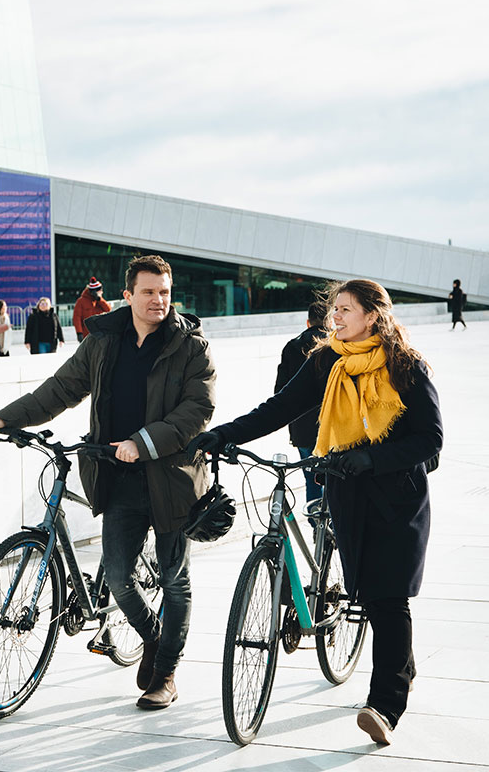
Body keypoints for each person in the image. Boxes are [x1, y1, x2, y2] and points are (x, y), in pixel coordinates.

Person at [186, 279, 442, 746]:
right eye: (334, 310)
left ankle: (385, 704)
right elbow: (281, 406)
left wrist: (371, 457)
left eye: (346, 309)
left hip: (397, 499)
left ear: (372, 315)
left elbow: (431, 439)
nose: (336, 317)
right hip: (349, 494)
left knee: (387, 599)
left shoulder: (407, 366)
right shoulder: (327, 360)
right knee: (365, 592)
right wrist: (225, 435)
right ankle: (400, 664)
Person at [0, 255, 215, 710]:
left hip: (171, 478)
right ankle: (157, 639)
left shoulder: (191, 346)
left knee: (173, 579)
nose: (158, 300)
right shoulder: (105, 340)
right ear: (127, 295)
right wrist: (8, 417)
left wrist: (143, 441)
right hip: (119, 477)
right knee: (119, 576)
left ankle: (165, 673)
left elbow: (196, 411)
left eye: (164, 291)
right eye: (148, 292)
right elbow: (62, 388)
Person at [274, 299, 329, 502]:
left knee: (311, 479)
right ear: (330, 321)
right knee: (334, 481)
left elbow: (280, 392)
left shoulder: (291, 347)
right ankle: (331, 529)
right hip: (331, 429)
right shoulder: (337, 345)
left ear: (308, 323)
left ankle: (316, 528)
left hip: (302, 428)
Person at [72, 276, 112, 342]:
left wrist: (99, 300)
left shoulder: (100, 302)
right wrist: (79, 332)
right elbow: (77, 318)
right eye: (100, 291)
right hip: (87, 335)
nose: (102, 292)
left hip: (100, 334)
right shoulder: (81, 301)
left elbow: (108, 309)